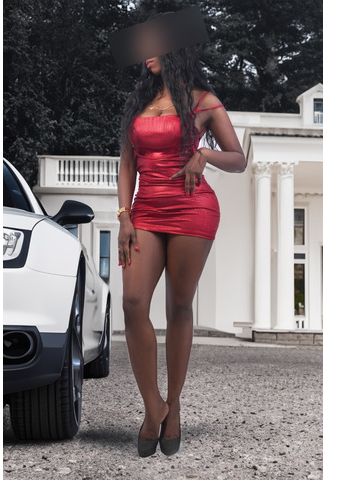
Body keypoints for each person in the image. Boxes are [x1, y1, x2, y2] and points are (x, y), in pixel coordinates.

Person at [117, 45, 247, 457]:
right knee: (133, 302)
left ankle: (173, 409)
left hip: (193, 208)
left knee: (179, 307)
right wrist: (124, 215)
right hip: (145, 210)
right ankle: (153, 405)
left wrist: (204, 153)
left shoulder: (204, 101)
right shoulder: (138, 102)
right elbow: (127, 163)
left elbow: (239, 159)